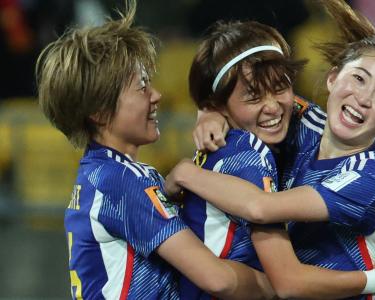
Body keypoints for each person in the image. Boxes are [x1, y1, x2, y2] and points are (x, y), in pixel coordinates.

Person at [165, 0, 375, 298]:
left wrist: (185, 173)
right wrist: (210, 112)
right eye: (359, 78)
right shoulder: (304, 120)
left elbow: (260, 209)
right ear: (332, 77)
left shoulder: (372, 176)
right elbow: (248, 96)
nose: (364, 98)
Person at [35, 1, 276, 299]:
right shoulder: (119, 180)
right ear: (98, 110)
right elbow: (217, 279)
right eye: (142, 87)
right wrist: (279, 287)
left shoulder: (102, 173)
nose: (157, 95)